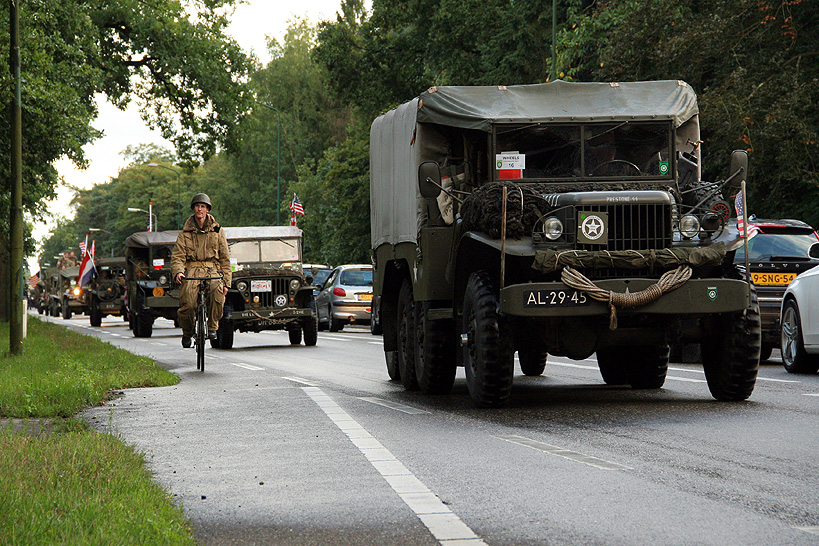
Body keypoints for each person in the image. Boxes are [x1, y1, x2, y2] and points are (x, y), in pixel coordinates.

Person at [171, 193, 231, 348]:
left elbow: (225, 258)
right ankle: (187, 331)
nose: (200, 209)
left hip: (213, 269)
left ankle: (212, 326)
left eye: (203, 206)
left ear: (207, 209)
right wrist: (178, 272)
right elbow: (177, 256)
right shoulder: (185, 234)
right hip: (192, 270)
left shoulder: (218, 231)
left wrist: (226, 283)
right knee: (188, 302)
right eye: (197, 206)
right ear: (193, 209)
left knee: (217, 293)